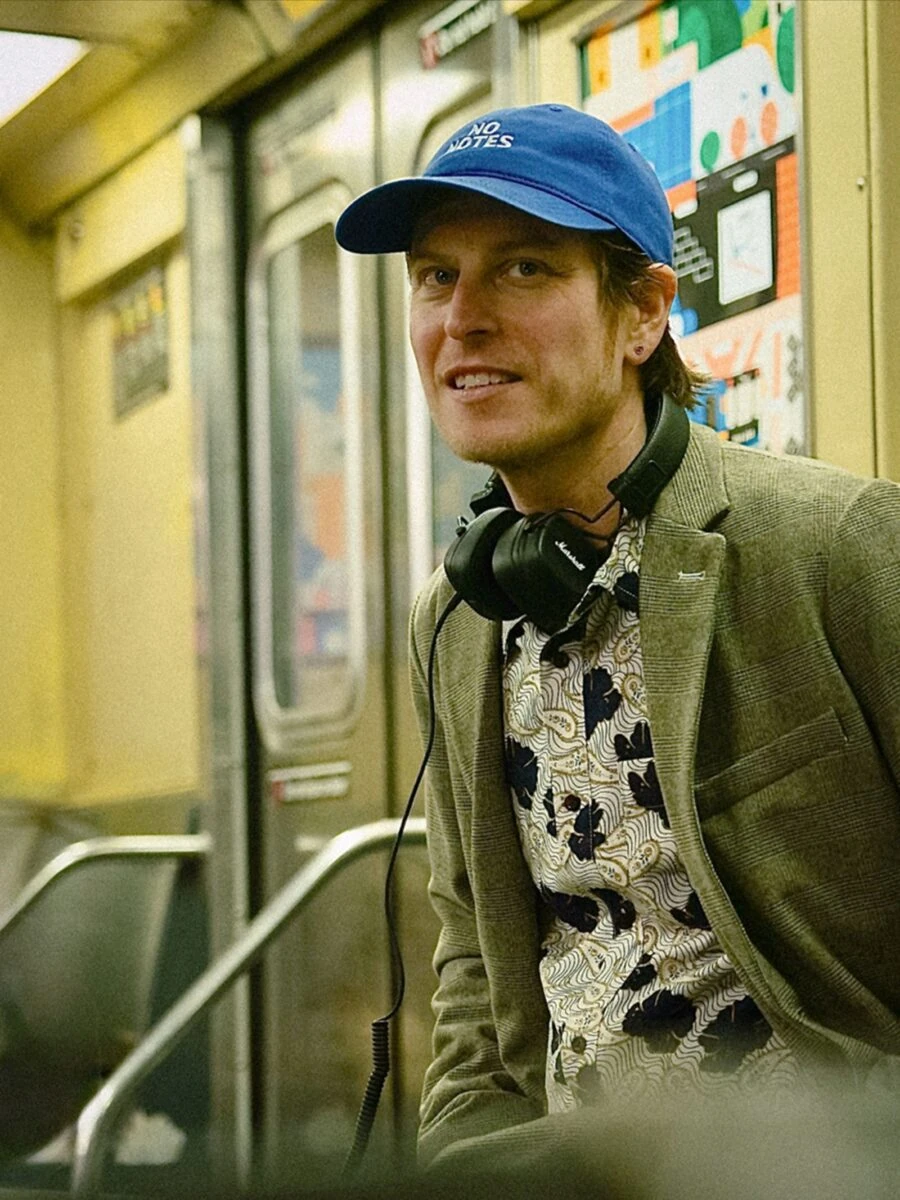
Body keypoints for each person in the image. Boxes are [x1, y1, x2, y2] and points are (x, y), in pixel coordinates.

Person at [335, 104, 900, 1172]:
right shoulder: (457, 618)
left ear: (642, 313)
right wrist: (463, 1156)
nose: (463, 318)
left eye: (524, 269)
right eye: (435, 276)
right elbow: (474, 958)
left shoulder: (835, 547)